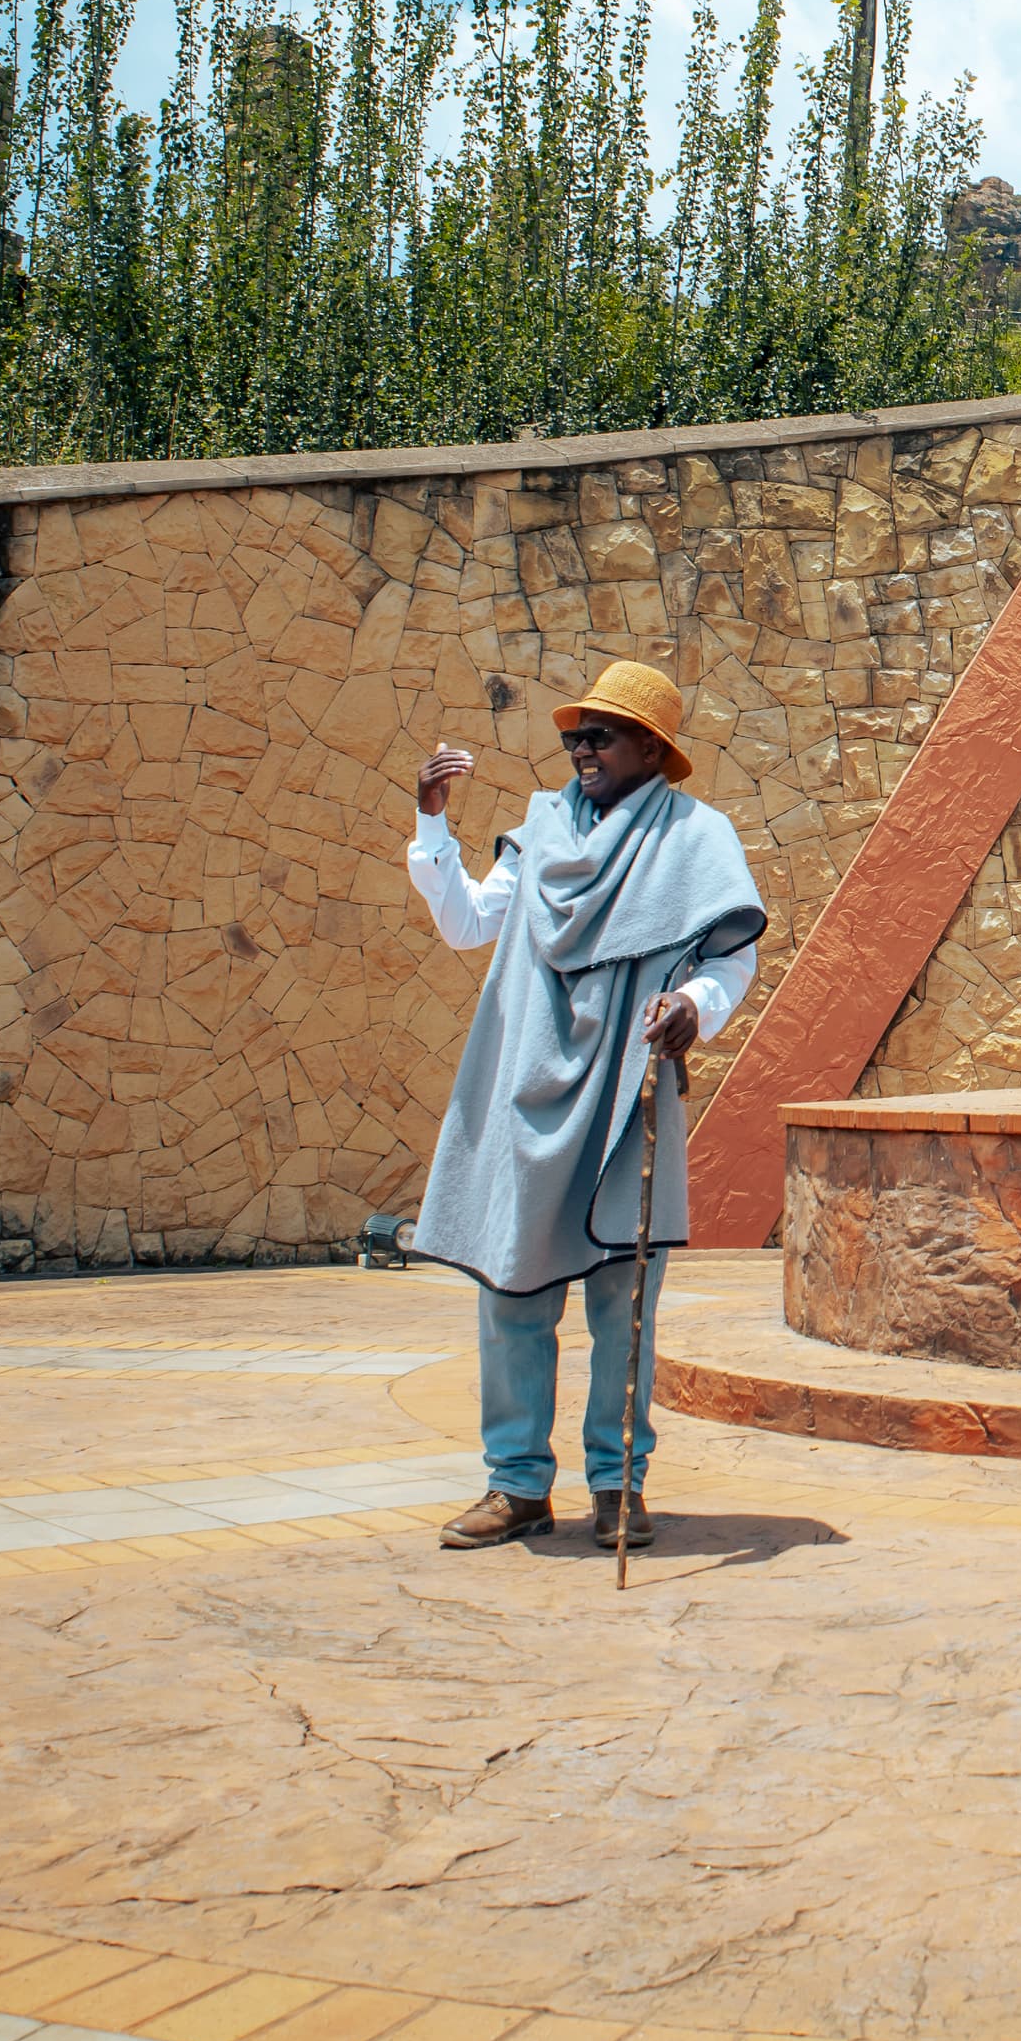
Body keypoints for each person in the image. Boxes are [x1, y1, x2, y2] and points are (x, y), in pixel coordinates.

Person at [404, 659, 765, 1550]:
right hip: (525, 1083)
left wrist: (694, 1008)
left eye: (600, 736)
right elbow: (469, 924)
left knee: (622, 1300)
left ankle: (617, 1484)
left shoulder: (694, 839)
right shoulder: (539, 832)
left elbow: (730, 960)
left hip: (625, 1088)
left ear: (652, 747)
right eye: (574, 737)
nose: (581, 751)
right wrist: (432, 828)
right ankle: (517, 1485)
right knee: (512, 1294)